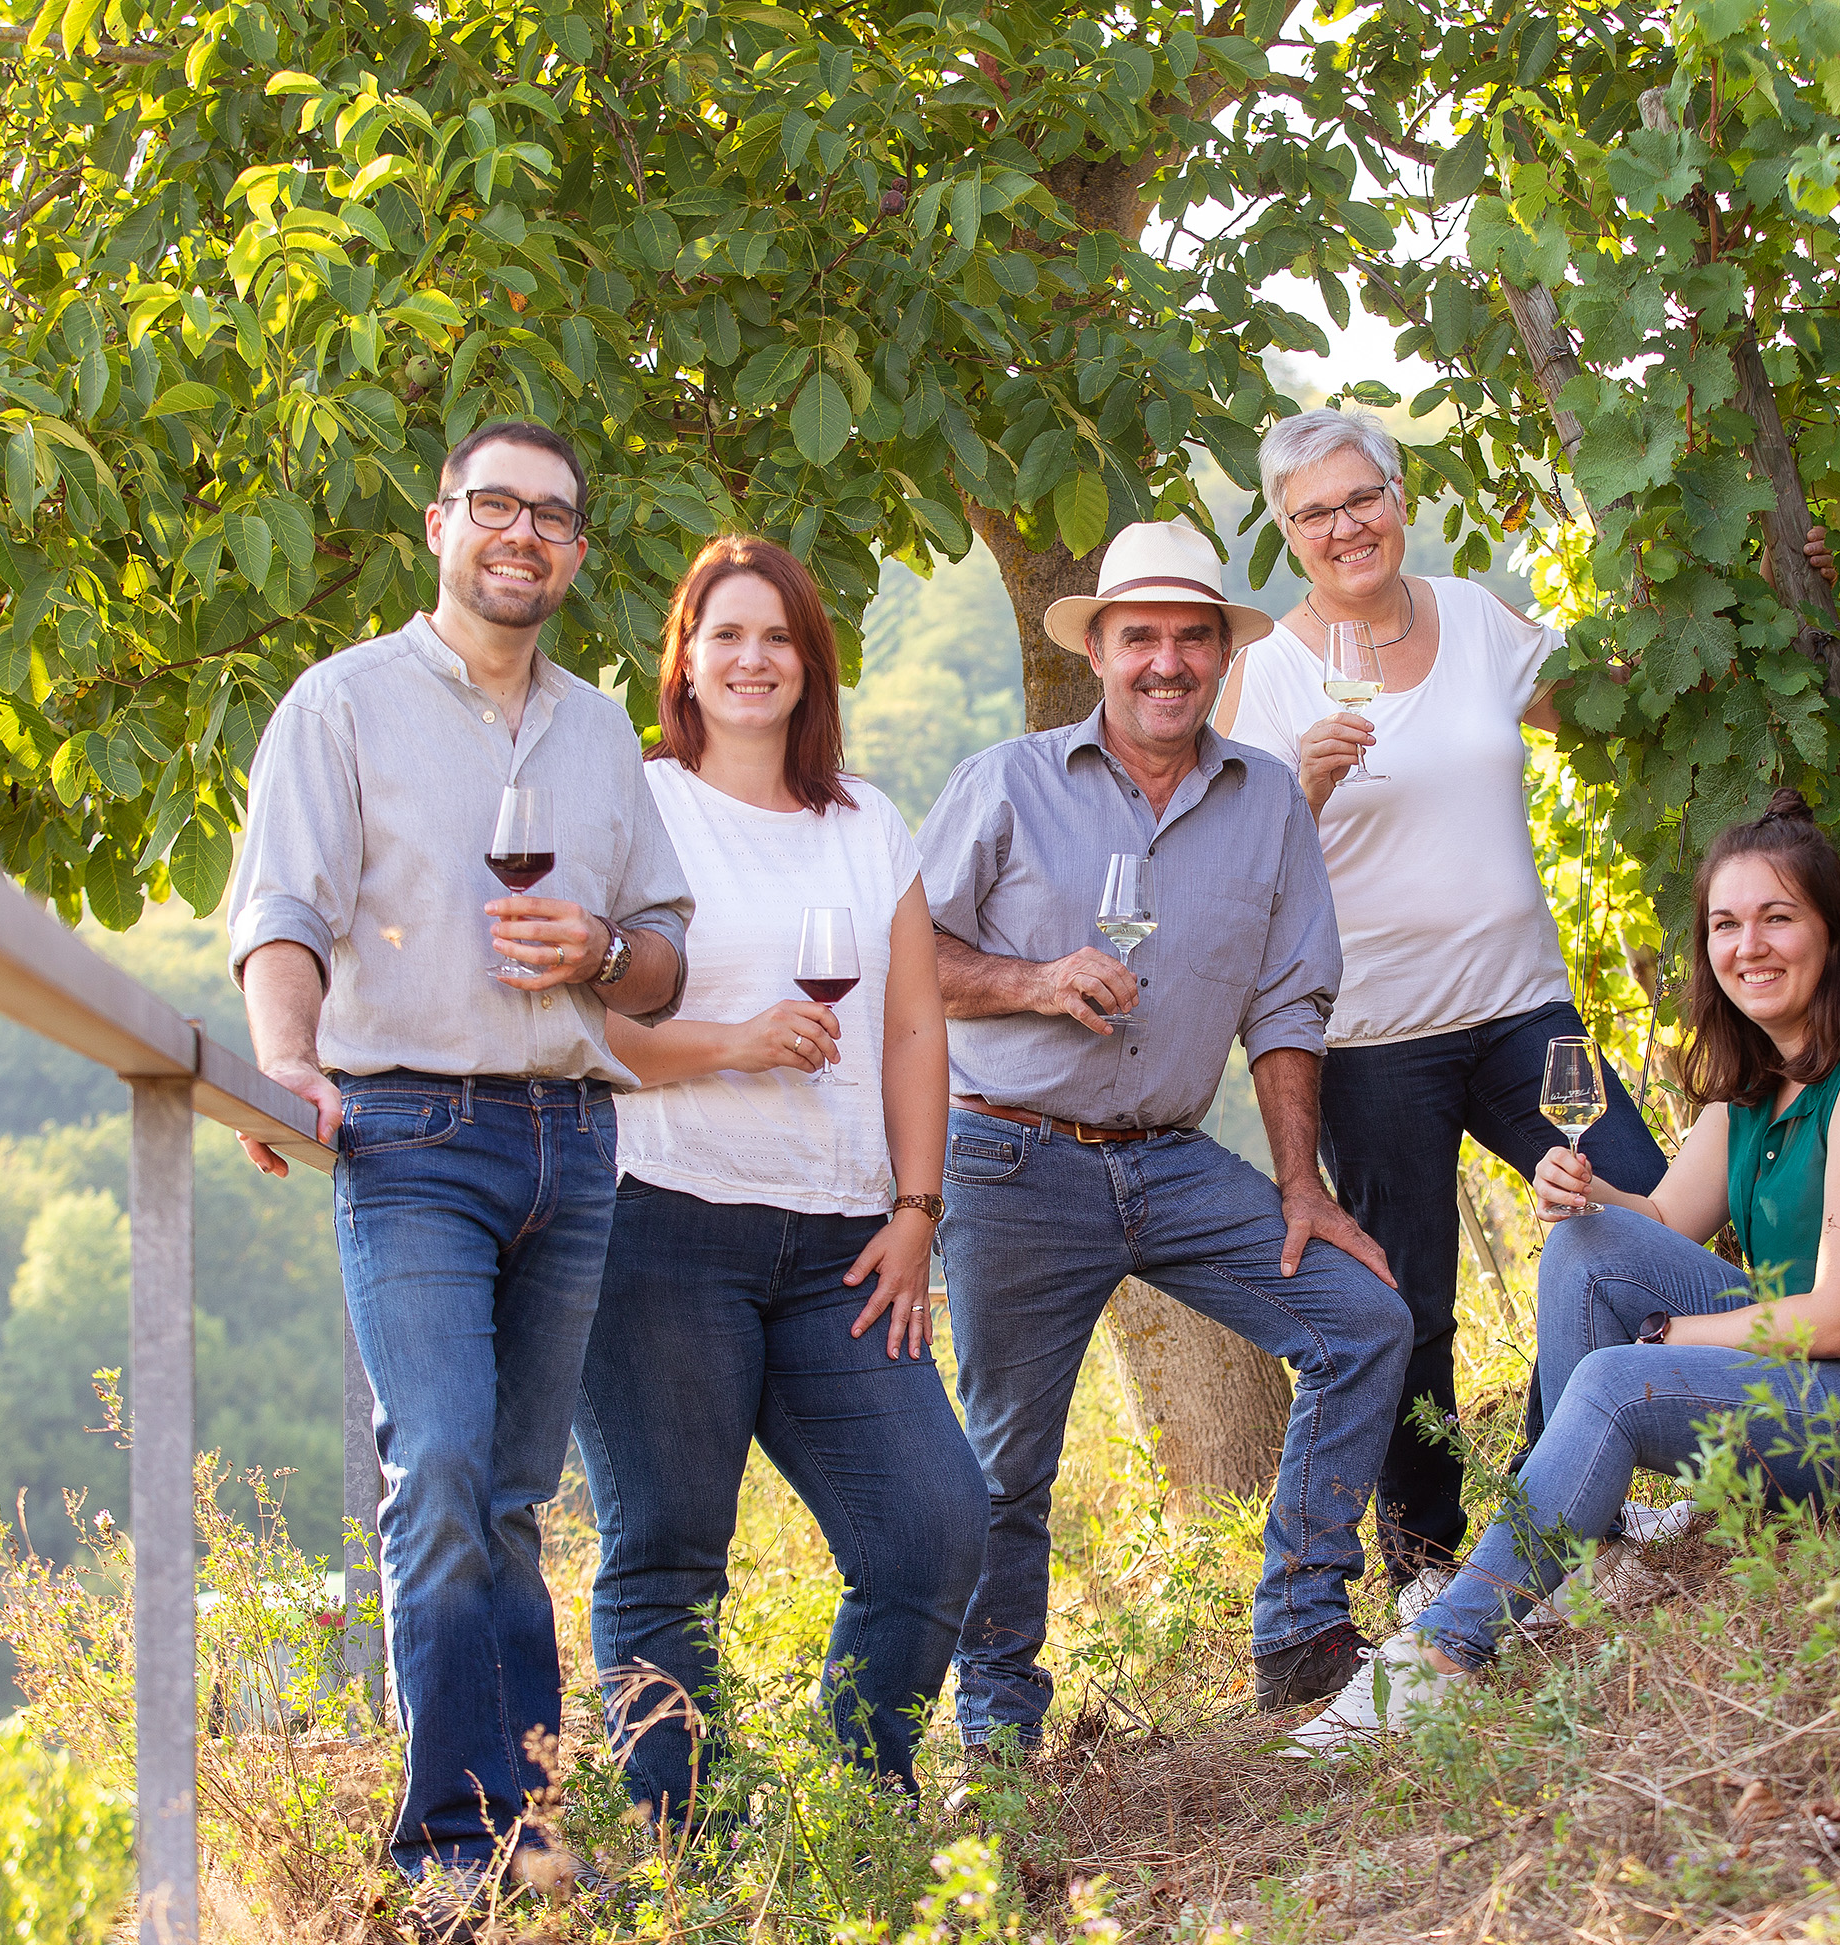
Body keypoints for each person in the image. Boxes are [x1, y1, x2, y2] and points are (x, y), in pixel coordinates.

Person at [1290, 790, 1840, 1750]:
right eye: (1725, 925)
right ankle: (1576, 1545)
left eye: (1777, 918)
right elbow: (1662, 1226)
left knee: (1614, 1381)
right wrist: (1582, 1190)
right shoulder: (1755, 1091)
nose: (1748, 947)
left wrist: (1672, 1336)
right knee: (1585, 1243)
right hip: (1824, 1379)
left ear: (1833, 935)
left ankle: (1442, 1655)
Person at [227, 420, 693, 1922]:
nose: (521, 533)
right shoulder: (341, 702)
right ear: (439, 523)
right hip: (408, 1134)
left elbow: (662, 958)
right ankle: (445, 1854)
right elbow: (282, 912)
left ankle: (524, 1833)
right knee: (433, 1468)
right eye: (494, 504)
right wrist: (284, 1059)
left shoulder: (601, 731)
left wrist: (602, 948)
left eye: (551, 516)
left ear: (576, 551)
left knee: (506, 1499)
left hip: (575, 1139)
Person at [920, 517, 1414, 1743]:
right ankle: (997, 1731)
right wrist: (1035, 980)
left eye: (1194, 638)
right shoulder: (1005, 781)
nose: (1167, 661)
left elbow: (1288, 1003)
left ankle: (1301, 1630)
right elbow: (904, 956)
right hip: (1010, 1156)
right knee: (1007, 1461)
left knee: (1362, 1320)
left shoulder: (1267, 802)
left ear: (1219, 655)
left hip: (1169, 1159)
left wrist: (1301, 1185)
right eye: (1140, 635)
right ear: (1096, 649)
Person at [1215, 406, 1673, 1592]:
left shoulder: (1471, 616)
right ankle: (1423, 1559)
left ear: (1399, 497)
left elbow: (1609, 701)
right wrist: (1302, 788)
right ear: (1287, 532)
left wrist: (1722, 592)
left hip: (1525, 1013)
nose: (1343, 526)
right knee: (1410, 1307)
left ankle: (1553, 1501)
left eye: (1360, 497)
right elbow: (1228, 871)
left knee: (1638, 1211)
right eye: (1313, 512)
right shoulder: (1265, 677)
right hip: (1372, 1041)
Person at [570, 535, 986, 1829]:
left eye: (778, 637)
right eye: (727, 635)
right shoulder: (631, 806)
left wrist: (916, 1210)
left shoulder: (866, 823)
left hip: (844, 1245)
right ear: (685, 659)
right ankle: (684, 1857)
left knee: (930, 1528)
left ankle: (860, 1815)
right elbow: (570, 1032)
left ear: (812, 662)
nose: (753, 659)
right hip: (658, 1226)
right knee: (668, 1557)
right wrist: (732, 1045)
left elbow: (911, 1028)